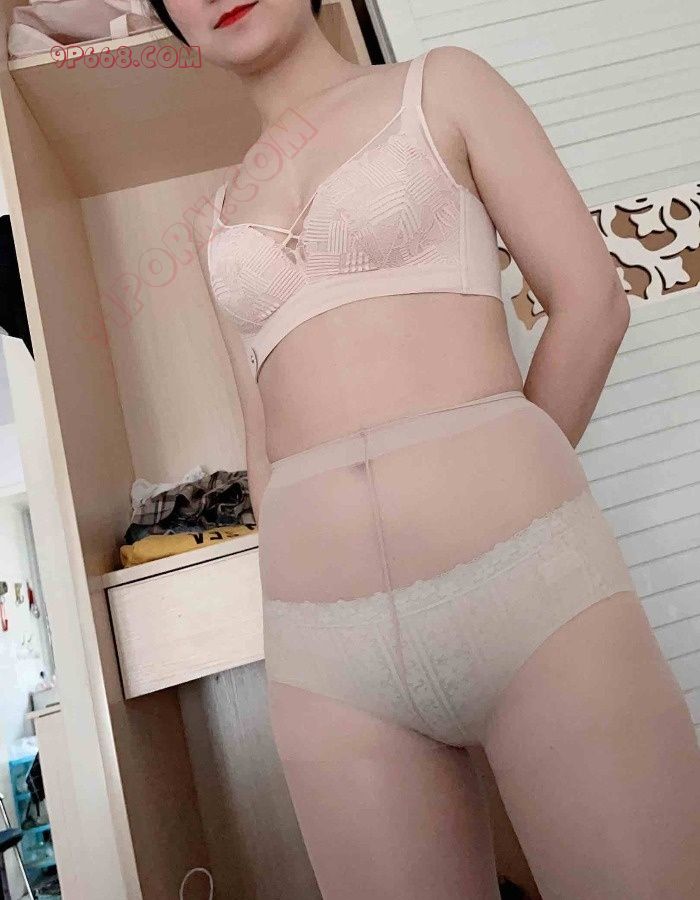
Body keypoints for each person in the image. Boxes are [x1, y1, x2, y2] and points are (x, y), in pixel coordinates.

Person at [151, 1, 700, 896]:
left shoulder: (442, 84)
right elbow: (262, 438)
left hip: (528, 584)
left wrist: (503, 500)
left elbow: (591, 303)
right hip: (325, 652)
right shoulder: (215, 219)